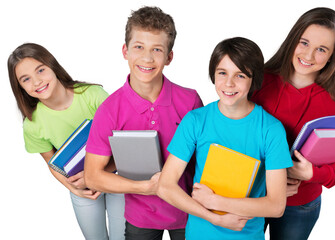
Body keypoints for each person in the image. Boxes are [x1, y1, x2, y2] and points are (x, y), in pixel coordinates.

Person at [83, 6, 203, 240]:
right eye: (139, 47)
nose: (147, 58)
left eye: (156, 49)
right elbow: (93, 176)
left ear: (169, 57)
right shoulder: (109, 109)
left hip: (189, 211)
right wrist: (145, 188)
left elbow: (205, 160)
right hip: (141, 217)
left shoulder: (190, 100)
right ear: (125, 50)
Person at [157, 37, 293, 240]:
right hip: (199, 233)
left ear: (253, 79)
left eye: (240, 75)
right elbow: (165, 186)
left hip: (246, 235)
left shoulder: (271, 129)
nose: (229, 83)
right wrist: (214, 218)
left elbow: (276, 206)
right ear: (213, 74)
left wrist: (216, 202)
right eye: (222, 73)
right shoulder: (196, 120)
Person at [251, 7, 335, 240]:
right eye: (304, 43)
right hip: (252, 194)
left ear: (333, 56)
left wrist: (312, 173)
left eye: (321, 49)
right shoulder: (258, 79)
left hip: (299, 206)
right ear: (293, 40)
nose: (309, 56)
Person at [8, 43, 126, 240]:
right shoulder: (33, 125)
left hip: (117, 175)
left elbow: (124, 142)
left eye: (40, 70)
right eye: (26, 79)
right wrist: (73, 187)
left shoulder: (92, 95)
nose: (36, 81)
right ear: (20, 87)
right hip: (82, 187)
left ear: (53, 66)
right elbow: (52, 163)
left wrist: (97, 175)